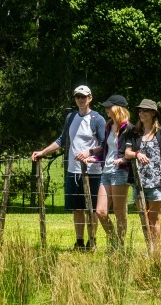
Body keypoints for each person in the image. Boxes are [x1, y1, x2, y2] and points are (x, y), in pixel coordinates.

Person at [32, 85, 107, 251]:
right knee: (77, 208)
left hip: (93, 171)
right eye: (78, 97)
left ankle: (92, 241)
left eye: (84, 96)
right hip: (73, 171)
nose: (81, 99)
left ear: (90, 98)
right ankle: (79, 242)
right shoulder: (71, 117)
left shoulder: (97, 119)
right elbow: (62, 140)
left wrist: (89, 153)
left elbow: (104, 145)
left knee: (92, 209)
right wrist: (42, 152)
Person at [126, 99, 161, 251]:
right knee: (143, 218)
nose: (141, 113)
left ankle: (156, 250)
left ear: (153, 113)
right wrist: (137, 154)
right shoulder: (134, 133)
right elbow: (127, 153)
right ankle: (149, 249)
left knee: (154, 217)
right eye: (140, 110)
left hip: (157, 181)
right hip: (139, 182)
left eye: (145, 110)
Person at [95, 94, 132, 249]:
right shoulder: (109, 126)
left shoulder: (129, 129)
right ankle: (114, 240)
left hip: (120, 172)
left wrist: (123, 159)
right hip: (106, 171)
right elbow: (106, 148)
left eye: (109, 107)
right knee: (101, 211)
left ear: (117, 109)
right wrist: (94, 157)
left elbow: (132, 150)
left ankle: (120, 246)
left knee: (119, 211)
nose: (107, 110)